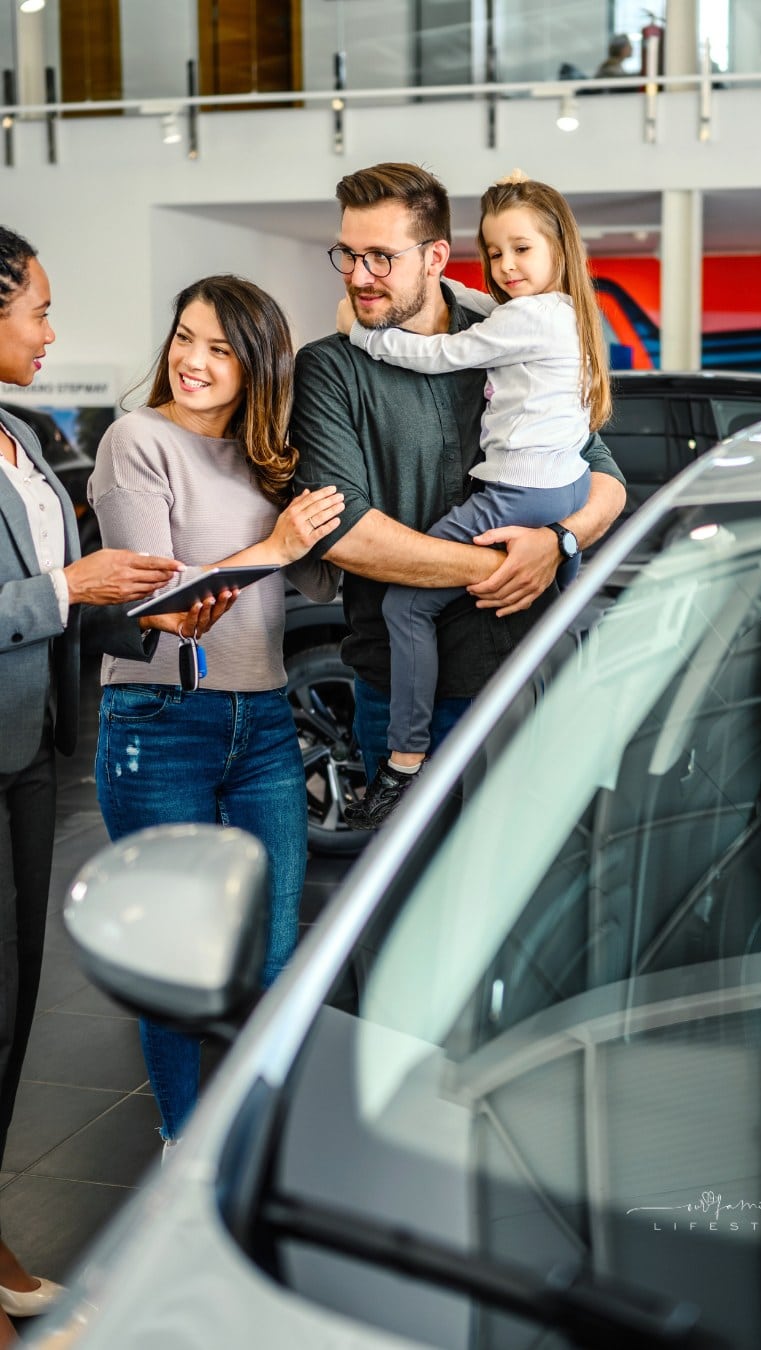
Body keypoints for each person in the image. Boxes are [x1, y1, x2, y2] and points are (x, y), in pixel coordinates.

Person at [0, 226, 204, 1341]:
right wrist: (64, 585)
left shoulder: (24, 435)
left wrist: (147, 610)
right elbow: (44, 590)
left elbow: (67, 599)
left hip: (31, 753)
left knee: (18, 1003)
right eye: (36, 307)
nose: (52, 329)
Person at [88, 275, 345, 1154]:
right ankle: (184, 1140)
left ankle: (248, 1139)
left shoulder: (266, 458)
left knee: (271, 952)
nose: (192, 362)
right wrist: (274, 545)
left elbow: (317, 576)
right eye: (185, 338)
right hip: (162, 719)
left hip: (265, 722)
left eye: (220, 349)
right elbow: (154, 601)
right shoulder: (139, 440)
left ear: (256, 367)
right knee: (176, 957)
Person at [291, 162, 625, 818]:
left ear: (436, 256)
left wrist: (558, 541)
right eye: (349, 255)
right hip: (401, 691)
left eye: (381, 258)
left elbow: (606, 480)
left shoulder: (507, 340)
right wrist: (508, 562)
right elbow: (345, 532)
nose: (359, 276)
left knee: (529, 894)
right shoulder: (330, 367)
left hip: (523, 671)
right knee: (415, 907)